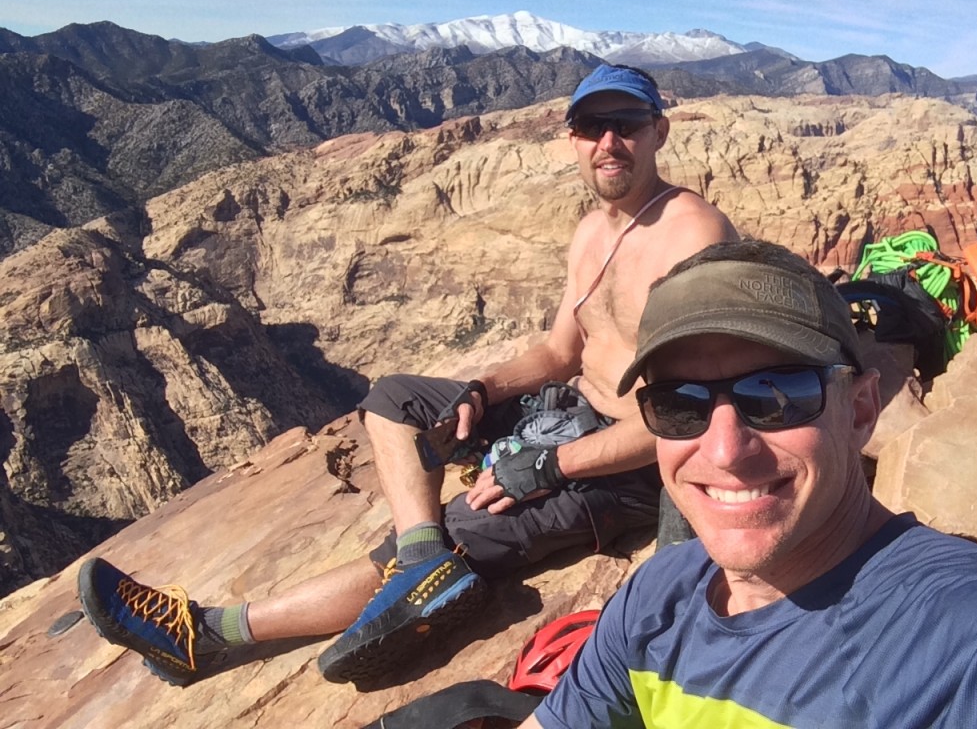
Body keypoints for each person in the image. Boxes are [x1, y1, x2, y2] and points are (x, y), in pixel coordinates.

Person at [78, 64, 738, 686]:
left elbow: (690, 414)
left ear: (659, 131)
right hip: (562, 412)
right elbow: (559, 354)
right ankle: (423, 562)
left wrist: (550, 466)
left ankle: (206, 635)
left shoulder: (692, 236)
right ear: (573, 139)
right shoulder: (594, 230)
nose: (609, 142)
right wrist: (482, 391)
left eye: (626, 123)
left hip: (625, 464)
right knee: (392, 398)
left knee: (461, 531)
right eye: (593, 127)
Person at [523, 239, 977, 728]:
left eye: (779, 395)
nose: (725, 451)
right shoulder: (654, 600)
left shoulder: (971, 637)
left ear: (860, 411)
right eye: (679, 404)